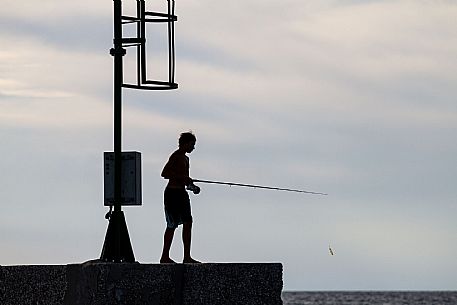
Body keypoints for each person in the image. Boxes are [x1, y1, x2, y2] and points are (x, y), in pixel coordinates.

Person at [160, 132, 201, 264]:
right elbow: (164, 173)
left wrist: (192, 186)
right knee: (171, 225)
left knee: (188, 222)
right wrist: (181, 177)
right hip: (172, 193)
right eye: (192, 145)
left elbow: (185, 180)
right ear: (185, 143)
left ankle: (187, 257)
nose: (193, 148)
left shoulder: (186, 159)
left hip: (182, 193)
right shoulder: (176, 156)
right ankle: (164, 257)